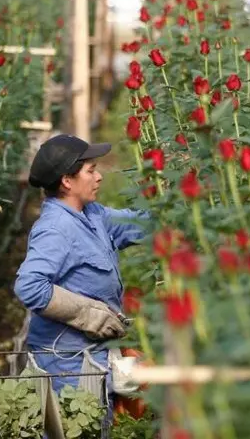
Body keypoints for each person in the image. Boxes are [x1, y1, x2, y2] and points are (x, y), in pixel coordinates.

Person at [13, 134, 149, 419]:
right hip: (67, 366)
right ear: (67, 181)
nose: (99, 177)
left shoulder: (94, 215)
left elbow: (139, 225)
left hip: (94, 357)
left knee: (100, 425)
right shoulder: (55, 229)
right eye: (91, 170)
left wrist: (181, 192)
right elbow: (29, 286)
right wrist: (90, 315)